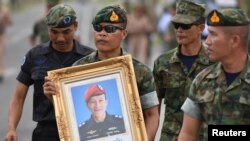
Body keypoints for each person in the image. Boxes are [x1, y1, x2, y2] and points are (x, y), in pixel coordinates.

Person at [43, 5, 159, 141]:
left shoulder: (140, 71)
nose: (102, 33)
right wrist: (54, 97)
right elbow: (69, 115)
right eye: (98, 28)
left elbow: (152, 115)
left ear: (124, 34)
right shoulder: (78, 69)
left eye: (110, 29)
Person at [4, 4, 94, 141]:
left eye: (66, 32)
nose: (60, 38)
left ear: (75, 26)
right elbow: (18, 97)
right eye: (54, 32)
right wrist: (11, 129)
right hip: (45, 132)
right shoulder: (35, 56)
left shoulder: (89, 58)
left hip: (81, 130)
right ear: (48, 29)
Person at [178, 8, 250, 141]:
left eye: (213, 35)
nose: (207, 41)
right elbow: (188, 133)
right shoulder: (202, 80)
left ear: (234, 40)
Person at [153, 0, 215, 140]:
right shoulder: (163, 63)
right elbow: (152, 110)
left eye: (185, 25)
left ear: (200, 28)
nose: (179, 30)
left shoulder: (215, 64)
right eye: (176, 25)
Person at [0, 0, 12, 82]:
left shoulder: (3, 11)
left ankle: (1, 72)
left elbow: (10, 23)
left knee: (0, 53)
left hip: (1, 36)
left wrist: (6, 17)